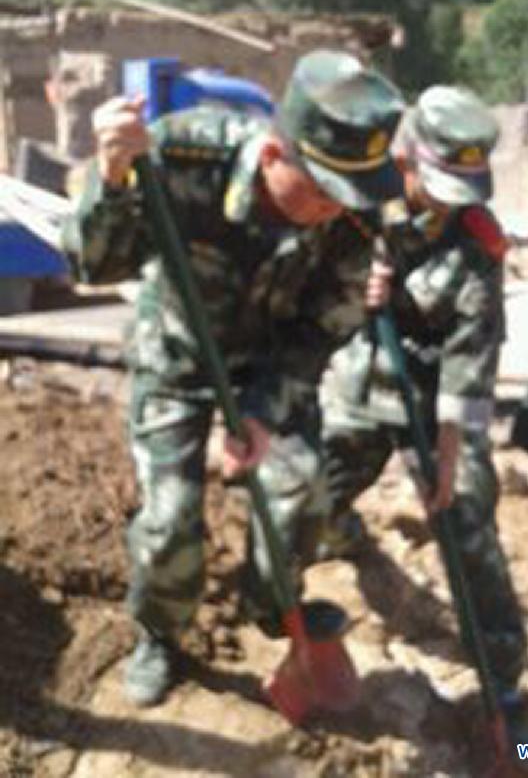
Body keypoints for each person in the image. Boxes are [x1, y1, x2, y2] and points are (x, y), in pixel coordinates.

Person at [61, 49, 404, 707]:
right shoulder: (181, 158)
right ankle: (161, 633)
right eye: (321, 191)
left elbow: (325, 325)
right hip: (178, 359)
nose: (336, 210)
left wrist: (261, 413)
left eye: (347, 195)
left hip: (272, 362)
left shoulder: (354, 208)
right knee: (169, 523)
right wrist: (111, 175)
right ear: (274, 154)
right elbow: (89, 267)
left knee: (300, 487)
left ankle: (271, 602)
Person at [317, 86, 528, 748]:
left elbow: (472, 358)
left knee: (466, 513)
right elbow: (300, 297)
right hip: (358, 379)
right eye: (436, 182)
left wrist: (442, 462)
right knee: (303, 497)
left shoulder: (475, 243)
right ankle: (337, 538)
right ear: (406, 159)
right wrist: (358, 290)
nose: (446, 201)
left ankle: (504, 690)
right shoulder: (353, 201)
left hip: (434, 395)